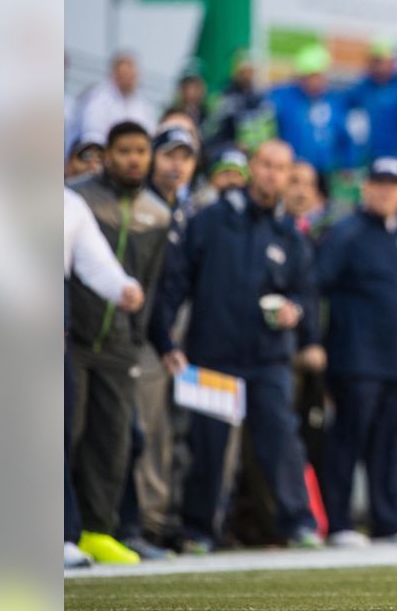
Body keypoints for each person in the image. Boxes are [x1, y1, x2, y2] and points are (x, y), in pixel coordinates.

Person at [150, 139, 323, 552]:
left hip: (270, 358)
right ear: (252, 168)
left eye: (281, 168)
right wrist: (165, 337)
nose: (272, 174)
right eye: (265, 165)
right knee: (207, 447)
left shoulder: (290, 234)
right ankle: (198, 530)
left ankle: (297, 523)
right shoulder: (211, 220)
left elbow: (305, 295)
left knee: (280, 440)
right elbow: (174, 282)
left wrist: (294, 314)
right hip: (214, 353)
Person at [316, 157, 397, 548]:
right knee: (349, 439)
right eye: (379, 183)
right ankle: (339, 523)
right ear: (366, 187)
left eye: (393, 184)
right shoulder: (345, 233)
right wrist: (314, 341)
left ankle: (387, 521)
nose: (386, 190)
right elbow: (316, 284)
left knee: (389, 441)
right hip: (356, 358)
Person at [67, 121, 173, 564]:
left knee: (111, 440)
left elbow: (147, 284)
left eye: (141, 151)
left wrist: (136, 337)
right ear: (108, 153)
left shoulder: (157, 213)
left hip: (119, 344)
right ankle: (60, 531)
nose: (133, 159)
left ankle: (98, 530)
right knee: (66, 435)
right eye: (124, 150)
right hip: (72, 338)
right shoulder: (77, 198)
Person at [115, 118, 201, 558]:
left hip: (175, 338)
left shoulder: (186, 210)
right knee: (145, 432)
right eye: (169, 155)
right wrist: (164, 341)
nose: (176, 165)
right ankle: (144, 525)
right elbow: (147, 289)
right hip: (147, 339)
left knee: (171, 435)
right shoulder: (145, 209)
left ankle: (163, 521)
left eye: (184, 158)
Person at [64, 188, 145, 568]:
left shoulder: (68, 204)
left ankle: (62, 534)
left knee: (55, 438)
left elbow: (95, 262)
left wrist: (122, 287)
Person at [269, 45, 354, 176]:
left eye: (318, 76)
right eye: (308, 76)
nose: (314, 82)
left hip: (323, 171)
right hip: (290, 168)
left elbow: (344, 136)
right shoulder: (283, 98)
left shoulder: (334, 101)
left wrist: (347, 164)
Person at [345, 37, 397, 163]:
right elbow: (346, 102)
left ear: (393, 61)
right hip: (375, 155)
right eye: (372, 61)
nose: (375, 66)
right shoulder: (367, 86)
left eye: (379, 61)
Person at [207, 50, 276, 160]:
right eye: (242, 71)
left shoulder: (261, 97)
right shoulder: (224, 97)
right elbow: (212, 130)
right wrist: (232, 144)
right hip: (229, 152)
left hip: (256, 155)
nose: (246, 75)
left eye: (249, 71)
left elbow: (269, 128)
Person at [77, 53, 159, 144]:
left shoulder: (143, 104)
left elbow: (150, 133)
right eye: (124, 74)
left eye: (132, 75)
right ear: (114, 75)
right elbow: (92, 135)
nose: (128, 79)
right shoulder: (98, 98)